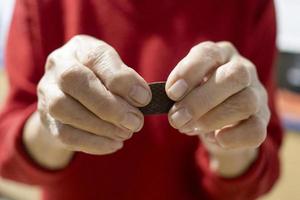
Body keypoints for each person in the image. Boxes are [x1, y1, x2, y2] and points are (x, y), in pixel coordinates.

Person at [0, 0, 283, 199]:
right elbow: (7, 157)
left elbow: (263, 173)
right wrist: (50, 128)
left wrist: (230, 143)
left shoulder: (248, 5)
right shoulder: (42, 3)